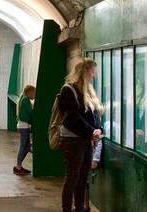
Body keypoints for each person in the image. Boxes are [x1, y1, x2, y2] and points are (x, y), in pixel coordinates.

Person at [57, 59, 102, 212]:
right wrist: (91, 132)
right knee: (72, 177)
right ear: (84, 71)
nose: (94, 76)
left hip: (86, 139)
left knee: (83, 177)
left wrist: (98, 130)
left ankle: (80, 207)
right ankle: (67, 209)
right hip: (72, 140)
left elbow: (95, 113)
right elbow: (71, 118)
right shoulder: (68, 90)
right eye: (92, 72)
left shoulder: (88, 90)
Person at [14, 85, 36, 175]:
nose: (35, 96)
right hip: (24, 127)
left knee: (26, 147)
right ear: (29, 92)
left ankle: (18, 166)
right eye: (34, 93)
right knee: (23, 147)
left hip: (22, 126)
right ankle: (18, 167)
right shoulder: (26, 100)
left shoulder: (23, 99)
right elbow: (30, 113)